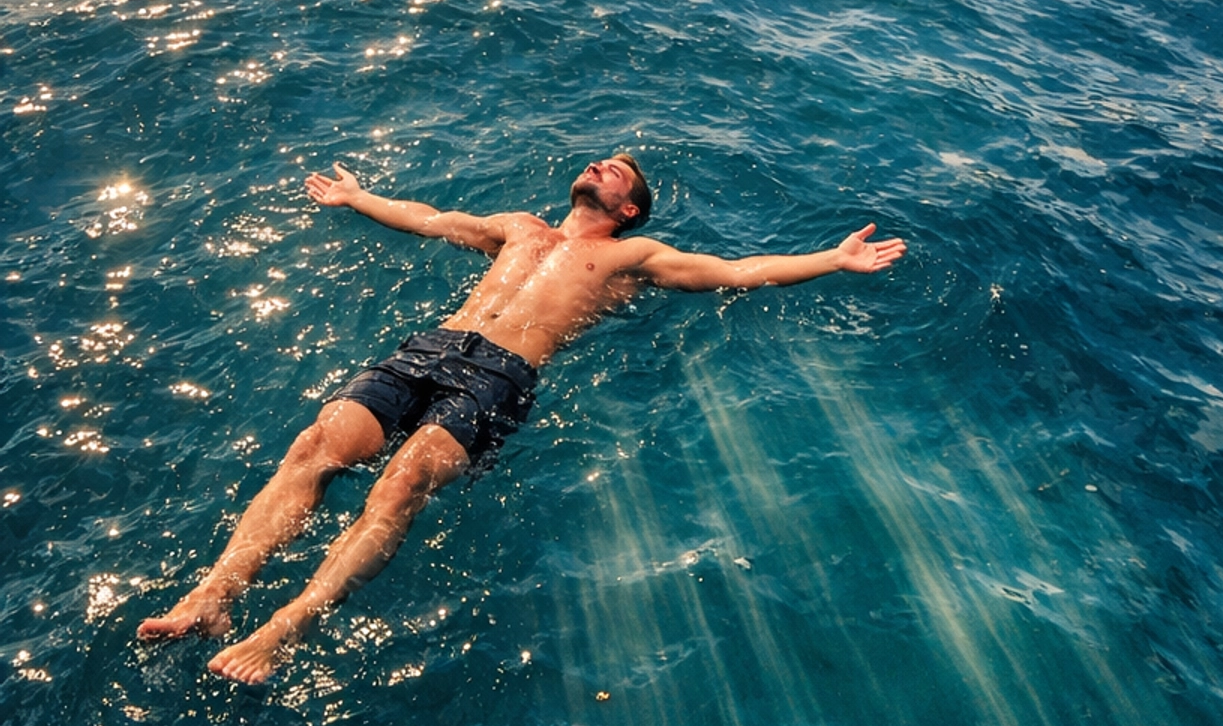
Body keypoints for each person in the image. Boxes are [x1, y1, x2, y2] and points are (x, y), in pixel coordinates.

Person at [138, 152, 905, 683]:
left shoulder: (632, 259)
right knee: (311, 448)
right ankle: (214, 595)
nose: (600, 166)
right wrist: (357, 198)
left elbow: (738, 272)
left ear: (628, 209)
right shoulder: (516, 228)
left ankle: (287, 625)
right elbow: (428, 217)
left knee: (400, 485)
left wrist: (831, 261)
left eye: (618, 173)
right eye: (599, 160)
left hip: (499, 378)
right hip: (430, 350)